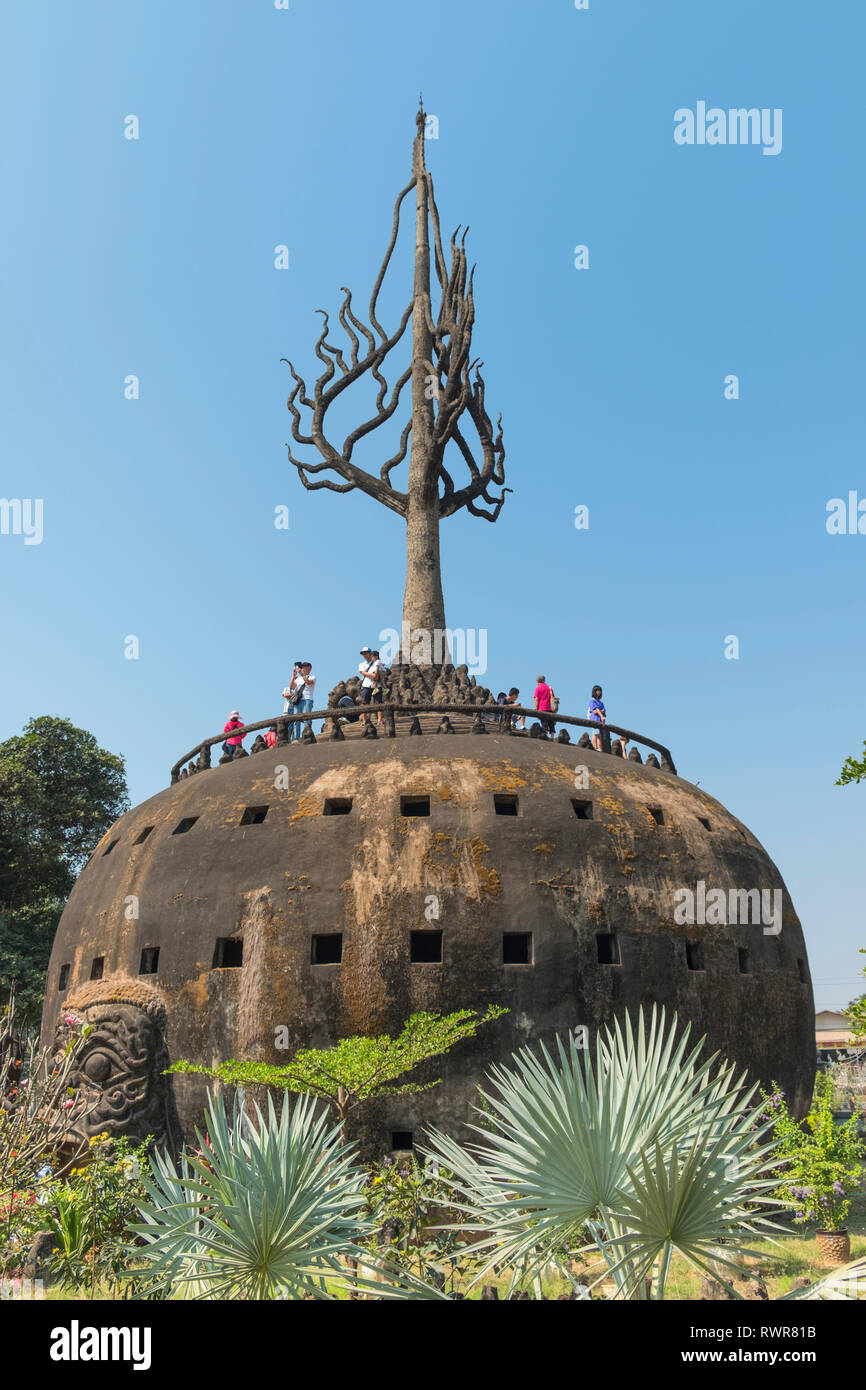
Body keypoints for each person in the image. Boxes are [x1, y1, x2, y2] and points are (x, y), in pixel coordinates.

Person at [291, 662, 316, 741]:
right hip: (298, 701)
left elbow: (308, 682)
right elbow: (291, 687)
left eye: (304, 667)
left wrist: (304, 674)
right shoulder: (298, 679)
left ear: (309, 668)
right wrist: (294, 676)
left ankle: (307, 735)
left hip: (308, 700)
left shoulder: (312, 677)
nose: (302, 669)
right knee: (296, 720)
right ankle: (296, 738)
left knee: (306, 718)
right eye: (301, 667)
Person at [358, 645, 382, 725]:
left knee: (378, 703)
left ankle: (379, 720)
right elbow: (362, 672)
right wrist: (372, 675)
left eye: (366, 653)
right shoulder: (362, 664)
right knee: (365, 703)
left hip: (377, 685)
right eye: (363, 654)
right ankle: (364, 720)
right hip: (366, 685)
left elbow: (383, 672)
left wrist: (378, 675)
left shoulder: (377, 662)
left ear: (370, 653)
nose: (365, 655)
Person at [588, 685, 605, 751]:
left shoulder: (601, 702)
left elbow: (602, 710)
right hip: (595, 718)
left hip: (600, 719)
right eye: (597, 691)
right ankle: (595, 747)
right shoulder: (592, 700)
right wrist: (601, 714)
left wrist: (598, 712)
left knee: (599, 733)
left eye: (600, 691)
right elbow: (594, 710)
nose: (599, 692)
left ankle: (599, 747)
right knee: (595, 733)